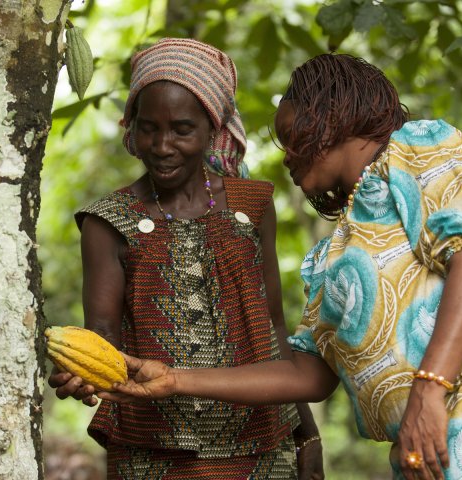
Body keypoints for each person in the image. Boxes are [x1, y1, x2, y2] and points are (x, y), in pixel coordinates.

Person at [100, 53, 462, 480]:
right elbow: (309, 375)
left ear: (328, 115)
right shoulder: (336, 254)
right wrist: (175, 379)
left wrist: (428, 391)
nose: (286, 158)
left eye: (290, 137)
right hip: (422, 444)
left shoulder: (420, 148)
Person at [47, 38, 324, 479]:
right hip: (152, 452)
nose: (161, 145)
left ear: (213, 128)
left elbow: (274, 326)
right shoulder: (109, 222)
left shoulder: (252, 206)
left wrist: (306, 433)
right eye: (148, 127)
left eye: (181, 128)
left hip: (262, 442)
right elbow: (102, 335)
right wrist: (83, 372)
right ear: (131, 128)